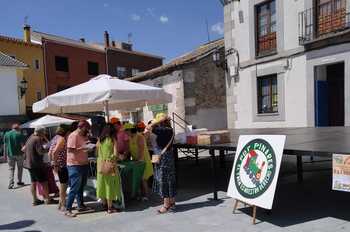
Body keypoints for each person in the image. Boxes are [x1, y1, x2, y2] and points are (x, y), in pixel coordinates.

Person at [147, 113, 175, 214]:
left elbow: (148, 126)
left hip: (163, 157)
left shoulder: (161, 130)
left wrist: (156, 121)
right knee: (170, 179)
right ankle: (172, 202)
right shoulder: (170, 129)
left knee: (163, 180)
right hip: (169, 156)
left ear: (161, 121)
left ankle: (166, 205)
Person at [65, 120, 92, 217]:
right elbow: (70, 150)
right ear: (82, 127)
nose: (87, 130)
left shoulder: (83, 135)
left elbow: (85, 145)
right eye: (87, 128)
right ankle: (68, 209)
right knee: (74, 188)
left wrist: (89, 146)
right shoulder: (73, 135)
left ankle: (81, 205)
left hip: (83, 163)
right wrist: (83, 147)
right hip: (74, 165)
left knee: (81, 187)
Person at [23, 126, 55, 206]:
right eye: (44, 132)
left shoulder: (30, 138)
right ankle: (48, 199)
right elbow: (40, 152)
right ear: (40, 132)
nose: (44, 134)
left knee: (33, 182)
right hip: (37, 164)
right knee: (44, 182)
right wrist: (48, 149)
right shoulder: (37, 139)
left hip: (30, 164)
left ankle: (35, 200)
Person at [96, 123, 122, 214]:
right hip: (110, 165)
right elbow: (115, 154)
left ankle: (104, 205)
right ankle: (110, 208)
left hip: (100, 164)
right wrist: (114, 158)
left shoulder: (100, 139)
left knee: (102, 184)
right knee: (109, 185)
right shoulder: (112, 139)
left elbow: (97, 151)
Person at [126, 123, 153, 201]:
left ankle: (146, 195)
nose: (125, 133)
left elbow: (141, 149)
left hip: (143, 160)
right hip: (136, 161)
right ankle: (140, 195)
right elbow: (129, 150)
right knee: (139, 178)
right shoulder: (130, 138)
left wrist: (140, 160)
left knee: (143, 179)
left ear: (130, 130)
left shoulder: (139, 137)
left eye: (126, 131)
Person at [49, 125, 69, 211]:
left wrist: (53, 163)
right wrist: (56, 164)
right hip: (62, 165)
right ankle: (63, 205)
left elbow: (50, 152)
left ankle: (60, 203)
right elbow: (54, 152)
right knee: (63, 186)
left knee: (62, 184)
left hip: (58, 164)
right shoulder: (61, 139)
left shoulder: (55, 138)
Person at [3, 124, 25, 189]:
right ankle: (19, 181)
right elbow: (23, 145)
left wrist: (5, 155)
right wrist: (25, 154)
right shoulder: (19, 134)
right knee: (20, 168)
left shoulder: (6, 134)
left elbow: (5, 145)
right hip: (19, 154)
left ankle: (11, 183)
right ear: (18, 128)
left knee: (11, 169)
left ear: (12, 128)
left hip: (10, 154)